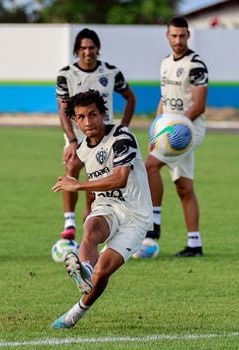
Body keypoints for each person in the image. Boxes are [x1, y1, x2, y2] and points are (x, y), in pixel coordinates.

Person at [51, 90, 152, 329]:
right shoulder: (84, 149)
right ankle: (84, 270)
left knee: (103, 271)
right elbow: (92, 179)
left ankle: (73, 315)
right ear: (75, 121)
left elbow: (120, 179)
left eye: (93, 115)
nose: (88, 122)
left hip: (136, 216)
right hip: (107, 206)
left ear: (103, 114)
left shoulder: (122, 136)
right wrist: (88, 209)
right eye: (82, 117)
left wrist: (78, 185)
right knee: (92, 228)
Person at [56, 28, 136, 240]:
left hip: (105, 136)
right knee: (71, 165)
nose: (87, 52)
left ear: (98, 49)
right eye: (83, 48)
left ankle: (91, 216)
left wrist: (124, 127)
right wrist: (72, 140)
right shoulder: (66, 75)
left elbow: (130, 98)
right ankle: (69, 222)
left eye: (91, 47)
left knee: (97, 180)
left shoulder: (110, 72)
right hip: (78, 134)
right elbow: (63, 111)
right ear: (77, 50)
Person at [145, 16, 208, 257]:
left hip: (189, 129)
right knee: (184, 187)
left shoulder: (196, 65)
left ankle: (154, 223)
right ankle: (195, 244)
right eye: (174, 35)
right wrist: (156, 129)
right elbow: (164, 100)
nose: (178, 40)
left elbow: (199, 106)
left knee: (150, 166)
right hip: (168, 128)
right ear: (167, 36)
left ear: (188, 36)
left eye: (182, 36)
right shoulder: (164, 63)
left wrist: (172, 128)